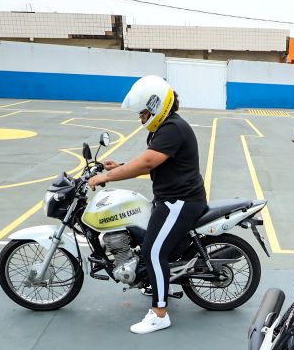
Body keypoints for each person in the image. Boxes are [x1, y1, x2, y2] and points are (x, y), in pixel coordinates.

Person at [87, 75, 208, 335]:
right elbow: (154, 163)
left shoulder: (173, 128)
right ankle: (156, 280)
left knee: (154, 251)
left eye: (143, 112)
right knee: (144, 239)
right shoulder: (163, 128)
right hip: (169, 198)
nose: (141, 117)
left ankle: (159, 314)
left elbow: (147, 162)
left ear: (156, 106)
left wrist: (107, 176)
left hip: (181, 201)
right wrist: (120, 166)